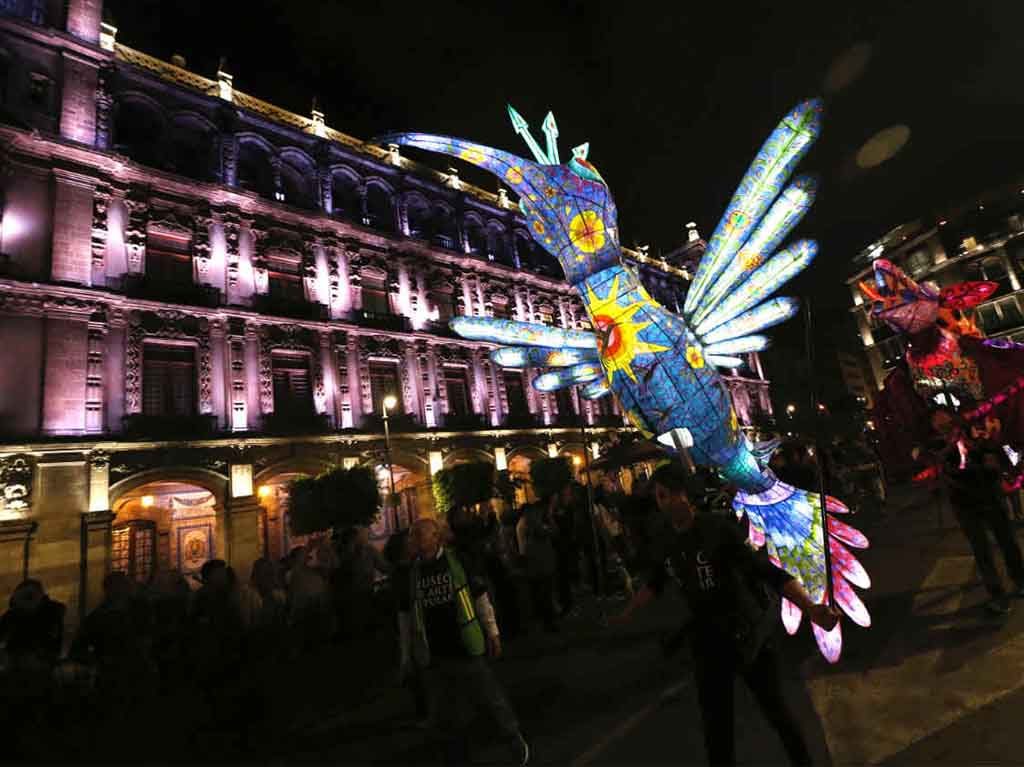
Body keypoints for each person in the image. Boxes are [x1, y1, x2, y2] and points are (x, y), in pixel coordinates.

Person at [612, 463, 838, 767]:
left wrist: (810, 608)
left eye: (667, 495)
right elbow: (655, 583)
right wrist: (626, 613)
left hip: (745, 633)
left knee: (776, 711)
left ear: (684, 495)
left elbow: (766, 572)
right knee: (716, 726)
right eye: (659, 497)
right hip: (706, 641)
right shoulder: (665, 540)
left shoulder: (716, 529)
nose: (662, 503)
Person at [397, 518, 530, 766]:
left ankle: (513, 739)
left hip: (464, 646)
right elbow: (405, 616)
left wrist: (492, 631)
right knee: (443, 714)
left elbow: (480, 597)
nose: (414, 540)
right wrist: (406, 655)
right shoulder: (411, 574)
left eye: (420, 535)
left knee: (490, 700)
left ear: (436, 537)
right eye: (413, 535)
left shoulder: (457, 562)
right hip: (433, 653)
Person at [929, 406, 1024, 615]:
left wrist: (1000, 450)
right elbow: (939, 466)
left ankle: (1020, 580)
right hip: (965, 505)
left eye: (943, 416)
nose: (940, 421)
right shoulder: (936, 445)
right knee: (982, 551)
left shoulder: (975, 434)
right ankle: (997, 596)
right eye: (935, 418)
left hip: (991, 497)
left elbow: (1006, 455)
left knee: (1007, 542)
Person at [517, 493, 559, 632]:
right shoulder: (533, 522)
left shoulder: (527, 522)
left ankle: (545, 619)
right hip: (539, 564)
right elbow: (550, 532)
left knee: (541, 593)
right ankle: (548, 622)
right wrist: (550, 518)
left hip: (536, 564)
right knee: (543, 593)